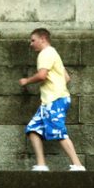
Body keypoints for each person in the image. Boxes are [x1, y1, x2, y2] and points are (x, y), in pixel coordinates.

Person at [18, 28, 86, 172]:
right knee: (33, 129)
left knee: (59, 132)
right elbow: (66, 78)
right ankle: (41, 165)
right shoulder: (54, 53)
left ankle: (78, 165)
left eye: (33, 40)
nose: (31, 44)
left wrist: (27, 81)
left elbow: (42, 75)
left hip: (54, 100)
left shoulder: (45, 53)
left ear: (43, 39)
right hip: (52, 100)